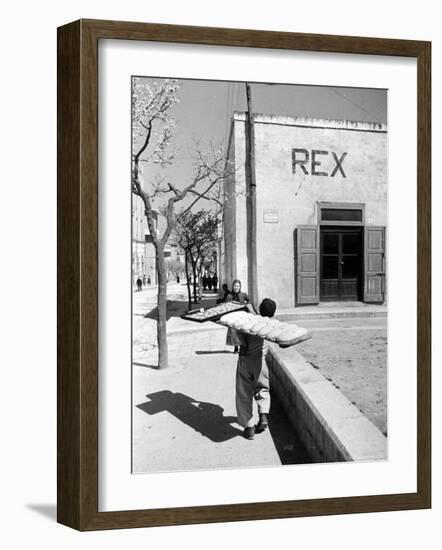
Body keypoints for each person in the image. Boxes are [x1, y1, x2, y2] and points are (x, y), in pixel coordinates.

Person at [235, 298, 277, 440]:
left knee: (243, 393)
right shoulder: (272, 325)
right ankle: (263, 415)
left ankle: (249, 428)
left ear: (260, 309)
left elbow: (240, 335)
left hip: (246, 360)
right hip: (261, 361)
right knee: (262, 388)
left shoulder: (251, 322)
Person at [226, 279, 249, 353]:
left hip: (241, 315)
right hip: (232, 315)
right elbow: (225, 306)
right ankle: (236, 347)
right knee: (234, 331)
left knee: (241, 331)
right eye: (235, 286)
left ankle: (242, 346)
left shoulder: (243, 294)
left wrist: (245, 306)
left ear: (240, 287)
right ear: (233, 286)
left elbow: (249, 301)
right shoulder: (229, 296)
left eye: (238, 286)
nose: (236, 287)